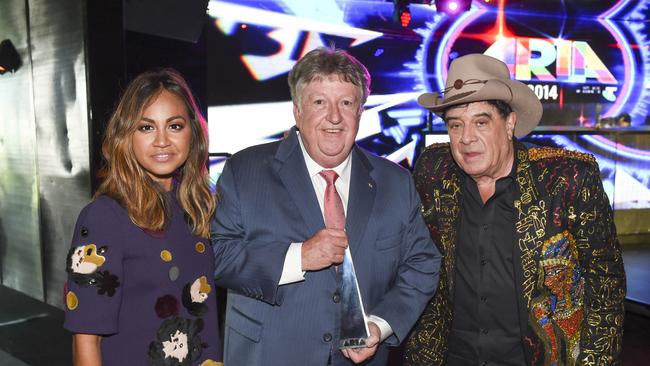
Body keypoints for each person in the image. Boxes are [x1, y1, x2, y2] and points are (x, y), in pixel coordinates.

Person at [211, 46, 441, 365]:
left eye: (346, 103)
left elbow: (423, 264)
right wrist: (299, 257)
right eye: (320, 102)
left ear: (360, 111)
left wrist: (380, 325)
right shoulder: (245, 171)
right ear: (297, 110)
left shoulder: (396, 182)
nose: (334, 117)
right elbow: (219, 257)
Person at [404, 54, 626, 365]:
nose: (466, 138)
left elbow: (606, 282)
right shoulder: (433, 170)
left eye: (481, 122)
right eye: (456, 125)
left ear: (509, 123)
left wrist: (594, 360)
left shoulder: (566, 180)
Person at [63, 69, 222, 366]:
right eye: (146, 128)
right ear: (126, 136)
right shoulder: (104, 217)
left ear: (193, 133)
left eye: (174, 126)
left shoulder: (198, 207)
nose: (162, 140)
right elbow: (86, 337)